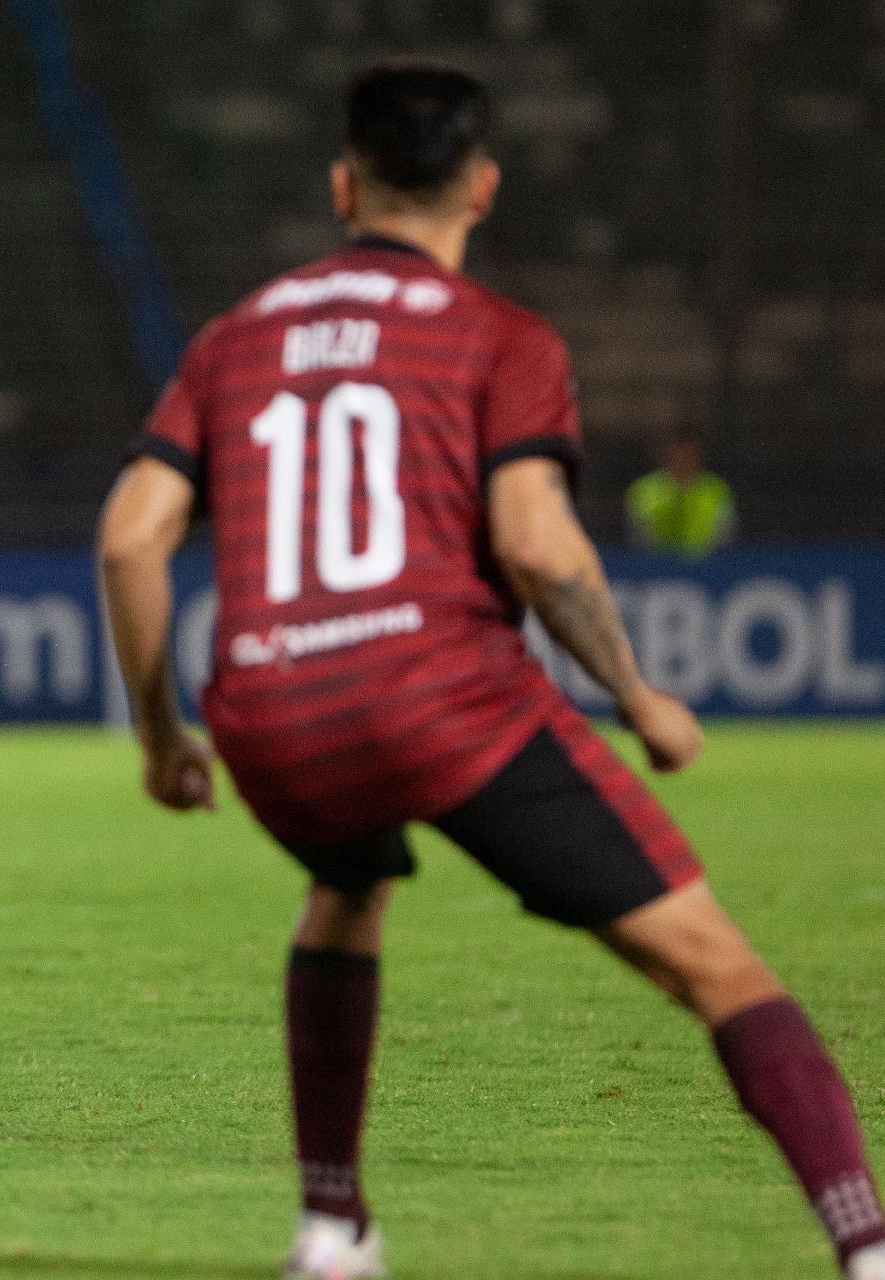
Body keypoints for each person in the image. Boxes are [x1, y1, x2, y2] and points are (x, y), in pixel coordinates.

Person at [96, 62, 882, 1280]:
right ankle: (867, 1242)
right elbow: (533, 542)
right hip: (437, 698)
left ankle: (329, 1226)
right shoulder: (497, 336)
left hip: (273, 709)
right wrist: (638, 695)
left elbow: (130, 538)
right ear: (484, 184)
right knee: (715, 961)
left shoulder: (234, 337)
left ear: (344, 183)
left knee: (345, 890)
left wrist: (161, 738)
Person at [627, 433, 737, 556]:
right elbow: (638, 537)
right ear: (668, 453)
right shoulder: (644, 489)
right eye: (680, 452)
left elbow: (726, 537)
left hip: (705, 564)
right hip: (657, 565)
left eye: (691, 453)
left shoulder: (717, 489)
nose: (685, 459)